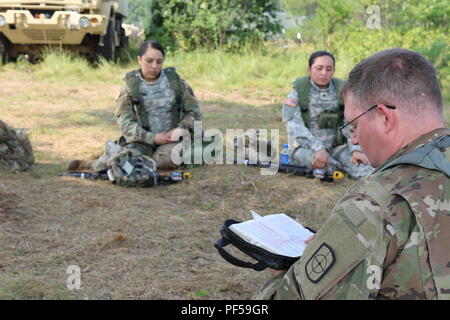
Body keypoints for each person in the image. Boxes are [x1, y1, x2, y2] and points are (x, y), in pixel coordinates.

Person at [254, 48, 449, 300]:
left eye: (354, 125)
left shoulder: (374, 202)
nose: (354, 138)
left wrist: (289, 274)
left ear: (384, 117)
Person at [68, 40, 202, 175]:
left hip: (171, 141)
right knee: (126, 162)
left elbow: (195, 112)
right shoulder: (130, 85)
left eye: (159, 62)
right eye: (149, 61)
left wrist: (180, 128)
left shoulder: (175, 81)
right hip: (142, 141)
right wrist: (152, 138)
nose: (154, 66)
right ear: (139, 59)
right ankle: (93, 163)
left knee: (168, 159)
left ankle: (142, 161)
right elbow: (125, 123)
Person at [282, 50, 373, 179]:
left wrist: (355, 149)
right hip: (307, 149)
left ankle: (340, 166)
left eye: (329, 69)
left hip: (337, 147)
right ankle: (334, 167)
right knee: (326, 168)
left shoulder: (342, 90)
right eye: (319, 68)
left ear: (334, 71)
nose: (324, 73)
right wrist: (318, 148)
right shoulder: (299, 91)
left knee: (365, 169)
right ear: (309, 70)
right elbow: (294, 127)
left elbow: (351, 123)